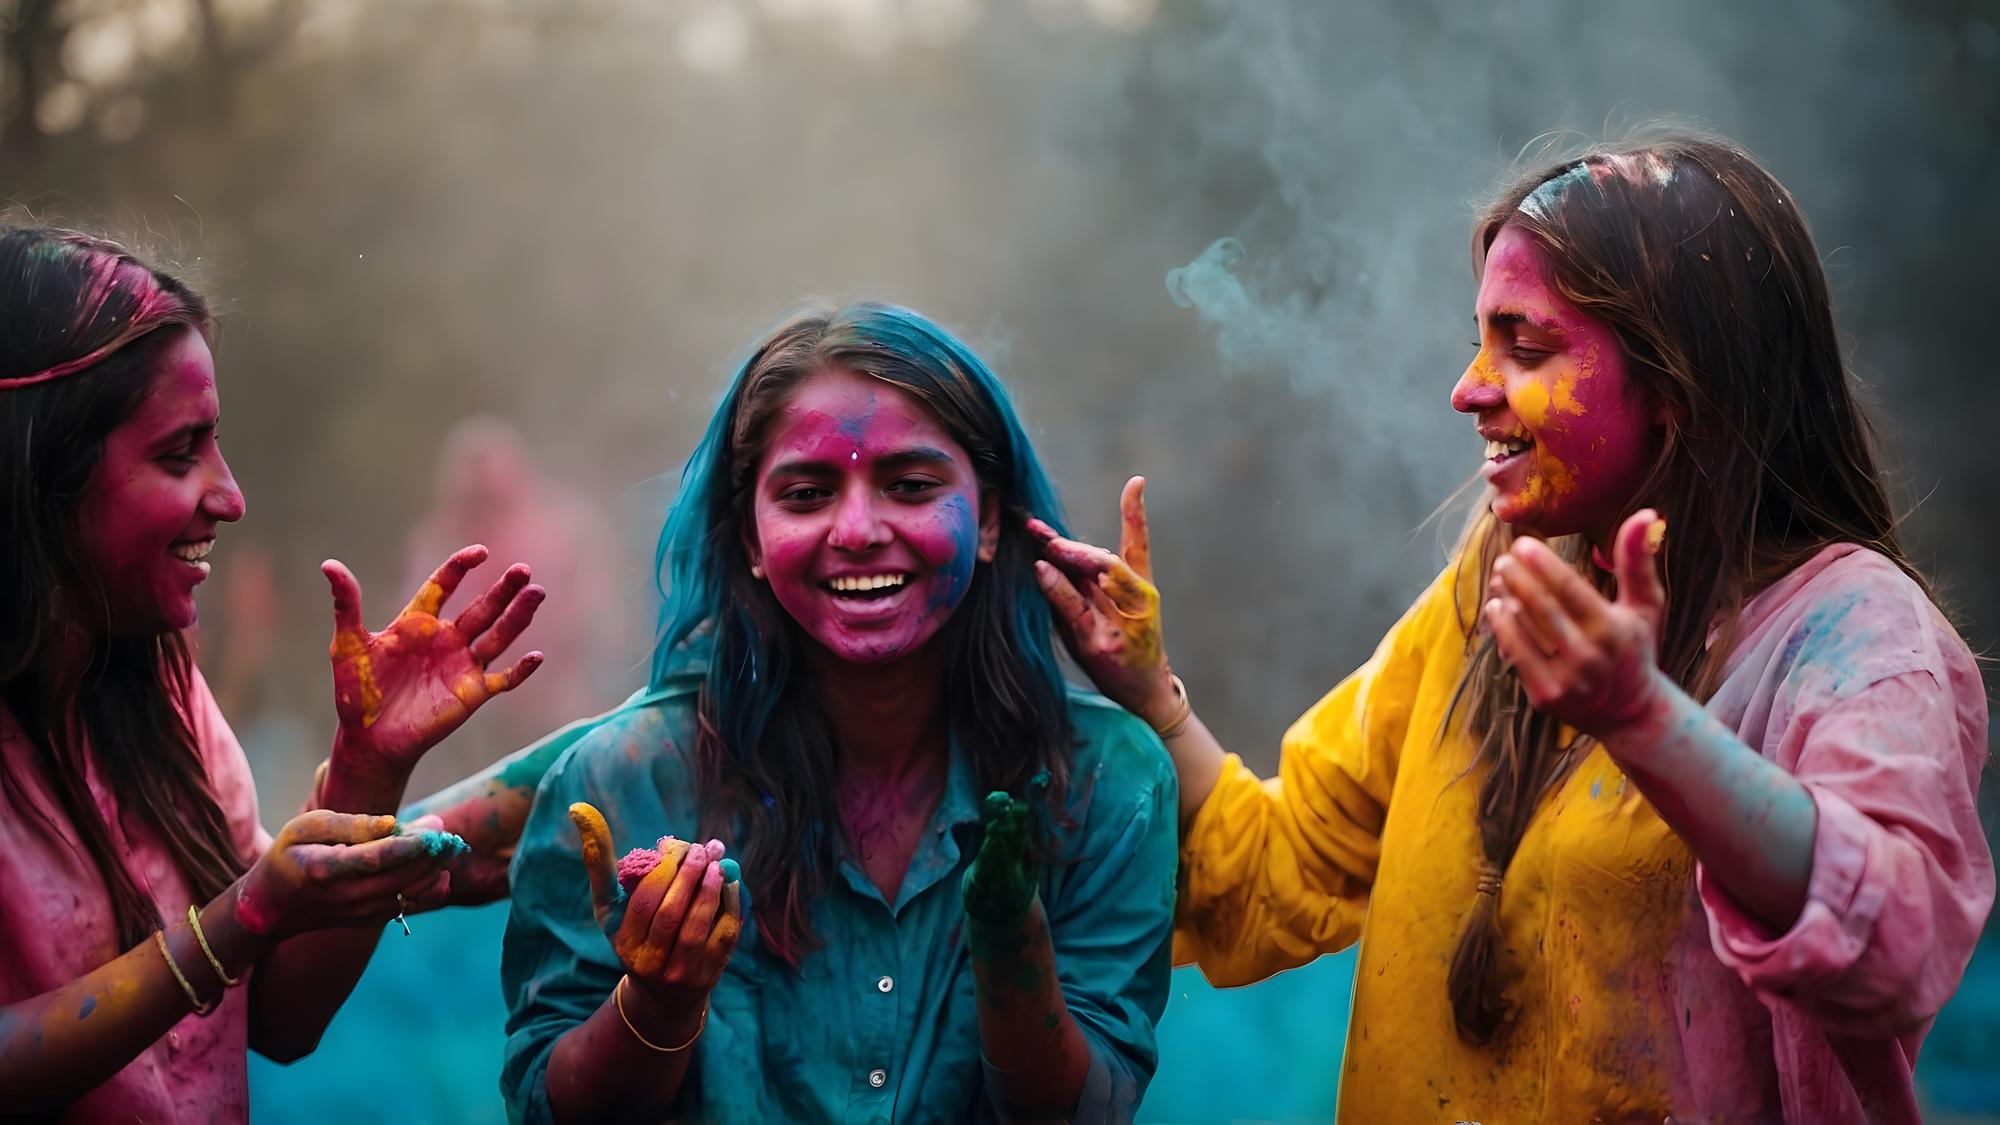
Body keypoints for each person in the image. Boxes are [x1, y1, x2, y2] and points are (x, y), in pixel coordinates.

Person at [1033, 133, 1992, 1122]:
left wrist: (1645, 723)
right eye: (1477, 340)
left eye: (1522, 345)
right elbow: (1282, 862)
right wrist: (1148, 693)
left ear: (1679, 383)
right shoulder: (1493, 585)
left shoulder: (1852, 634)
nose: (1468, 388)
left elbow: (1894, 942)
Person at [500, 302, 1178, 1123]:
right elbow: (546, 1109)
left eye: (911, 486)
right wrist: (657, 1004)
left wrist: (1012, 952)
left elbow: (1084, 1112)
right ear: (751, 536)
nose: (857, 530)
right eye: (808, 492)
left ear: (991, 521)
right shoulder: (619, 786)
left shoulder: (1107, 783)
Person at [0, 225, 547, 1120]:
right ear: (37, 473)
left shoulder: (161, 689)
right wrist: (239, 919)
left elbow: (280, 1016)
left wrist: (373, 765)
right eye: (180, 454)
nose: (231, 496)